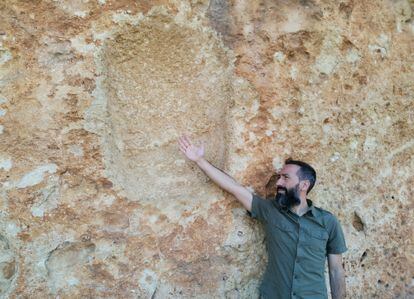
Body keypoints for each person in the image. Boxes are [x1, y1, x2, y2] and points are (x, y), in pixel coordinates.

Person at [178, 135, 347, 299]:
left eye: (285, 178)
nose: (278, 183)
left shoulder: (328, 221)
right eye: (279, 177)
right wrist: (200, 160)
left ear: (304, 185)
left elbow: (336, 270)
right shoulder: (270, 210)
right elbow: (234, 188)